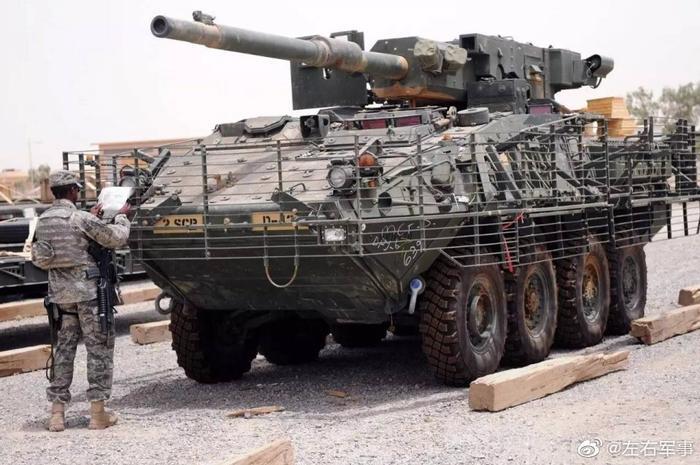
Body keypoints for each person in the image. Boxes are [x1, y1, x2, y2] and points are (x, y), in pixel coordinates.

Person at [31, 170, 131, 432]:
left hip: (61, 298)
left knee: (63, 351)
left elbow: (40, 258)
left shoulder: (43, 220)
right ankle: (98, 414)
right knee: (98, 350)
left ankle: (57, 414)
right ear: (73, 190)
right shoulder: (80, 218)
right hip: (90, 296)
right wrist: (122, 217)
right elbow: (116, 238)